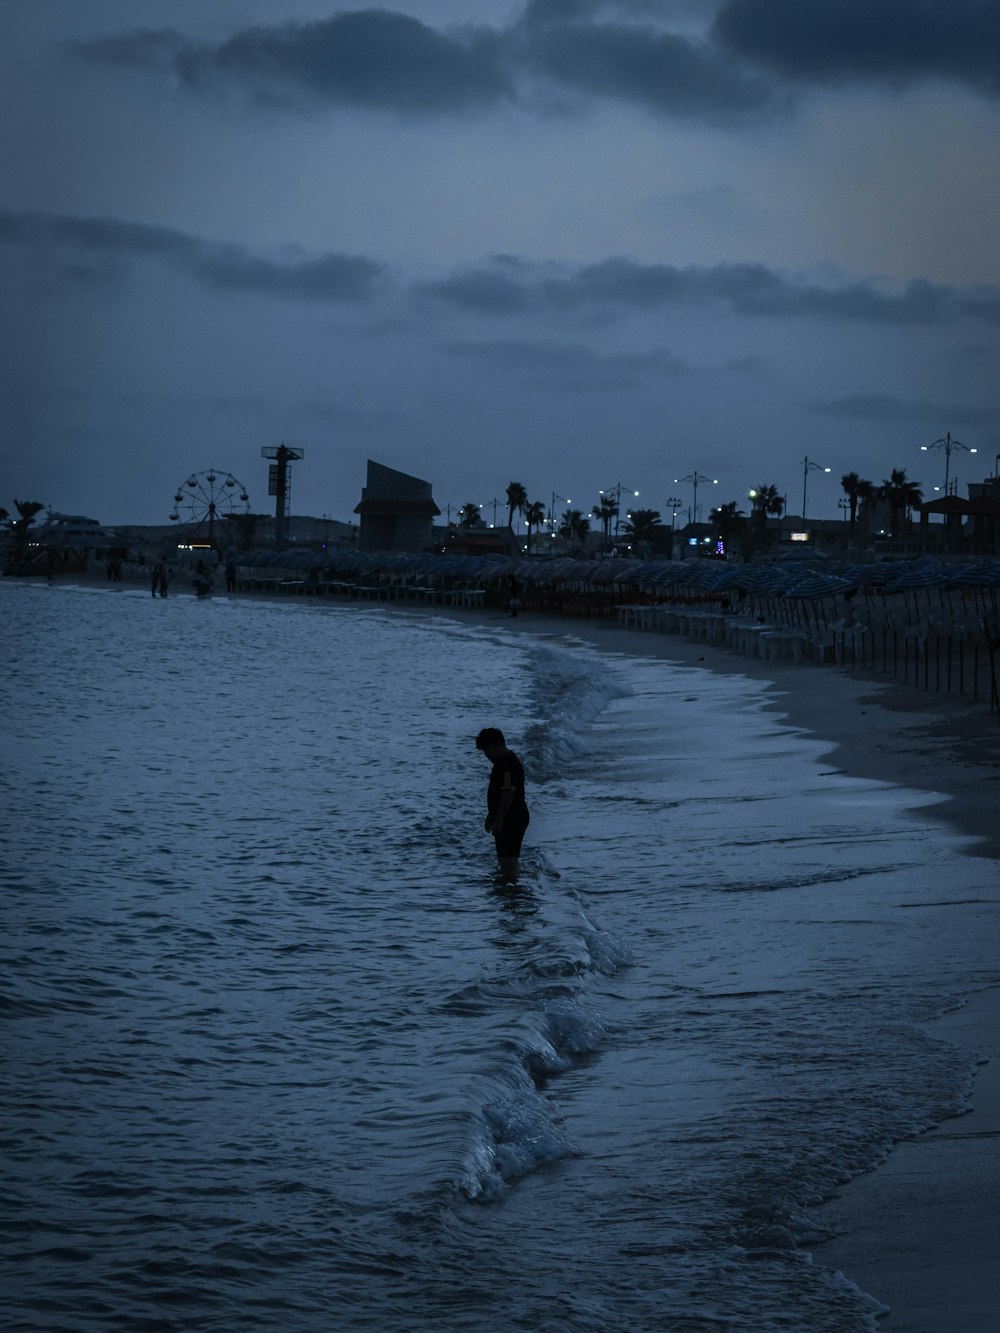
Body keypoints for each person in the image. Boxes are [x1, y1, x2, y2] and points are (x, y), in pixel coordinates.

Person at [476, 727, 530, 882]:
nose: (486, 755)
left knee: (508, 861)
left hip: (512, 817)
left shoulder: (508, 763)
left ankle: (512, 892)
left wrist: (499, 819)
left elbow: (508, 793)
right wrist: (491, 815)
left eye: (487, 750)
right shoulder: (501, 763)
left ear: (497, 744)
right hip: (506, 815)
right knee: (504, 860)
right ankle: (509, 891)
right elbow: (499, 794)